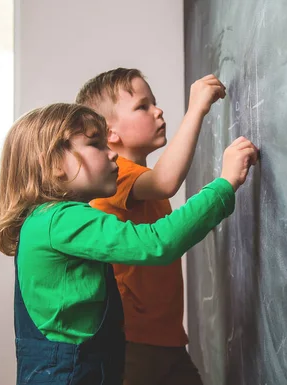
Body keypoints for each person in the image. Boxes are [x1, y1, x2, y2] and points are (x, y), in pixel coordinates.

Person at [0, 102, 258, 385]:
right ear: (53, 164)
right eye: (96, 144)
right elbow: (156, 243)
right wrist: (225, 183)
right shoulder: (62, 219)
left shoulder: (43, 220)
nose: (112, 154)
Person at [75, 68, 225, 384]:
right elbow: (165, 181)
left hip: (165, 340)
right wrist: (196, 108)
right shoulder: (114, 177)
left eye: (153, 103)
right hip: (129, 343)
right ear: (110, 133)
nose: (158, 111)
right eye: (143, 106)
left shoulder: (142, 181)